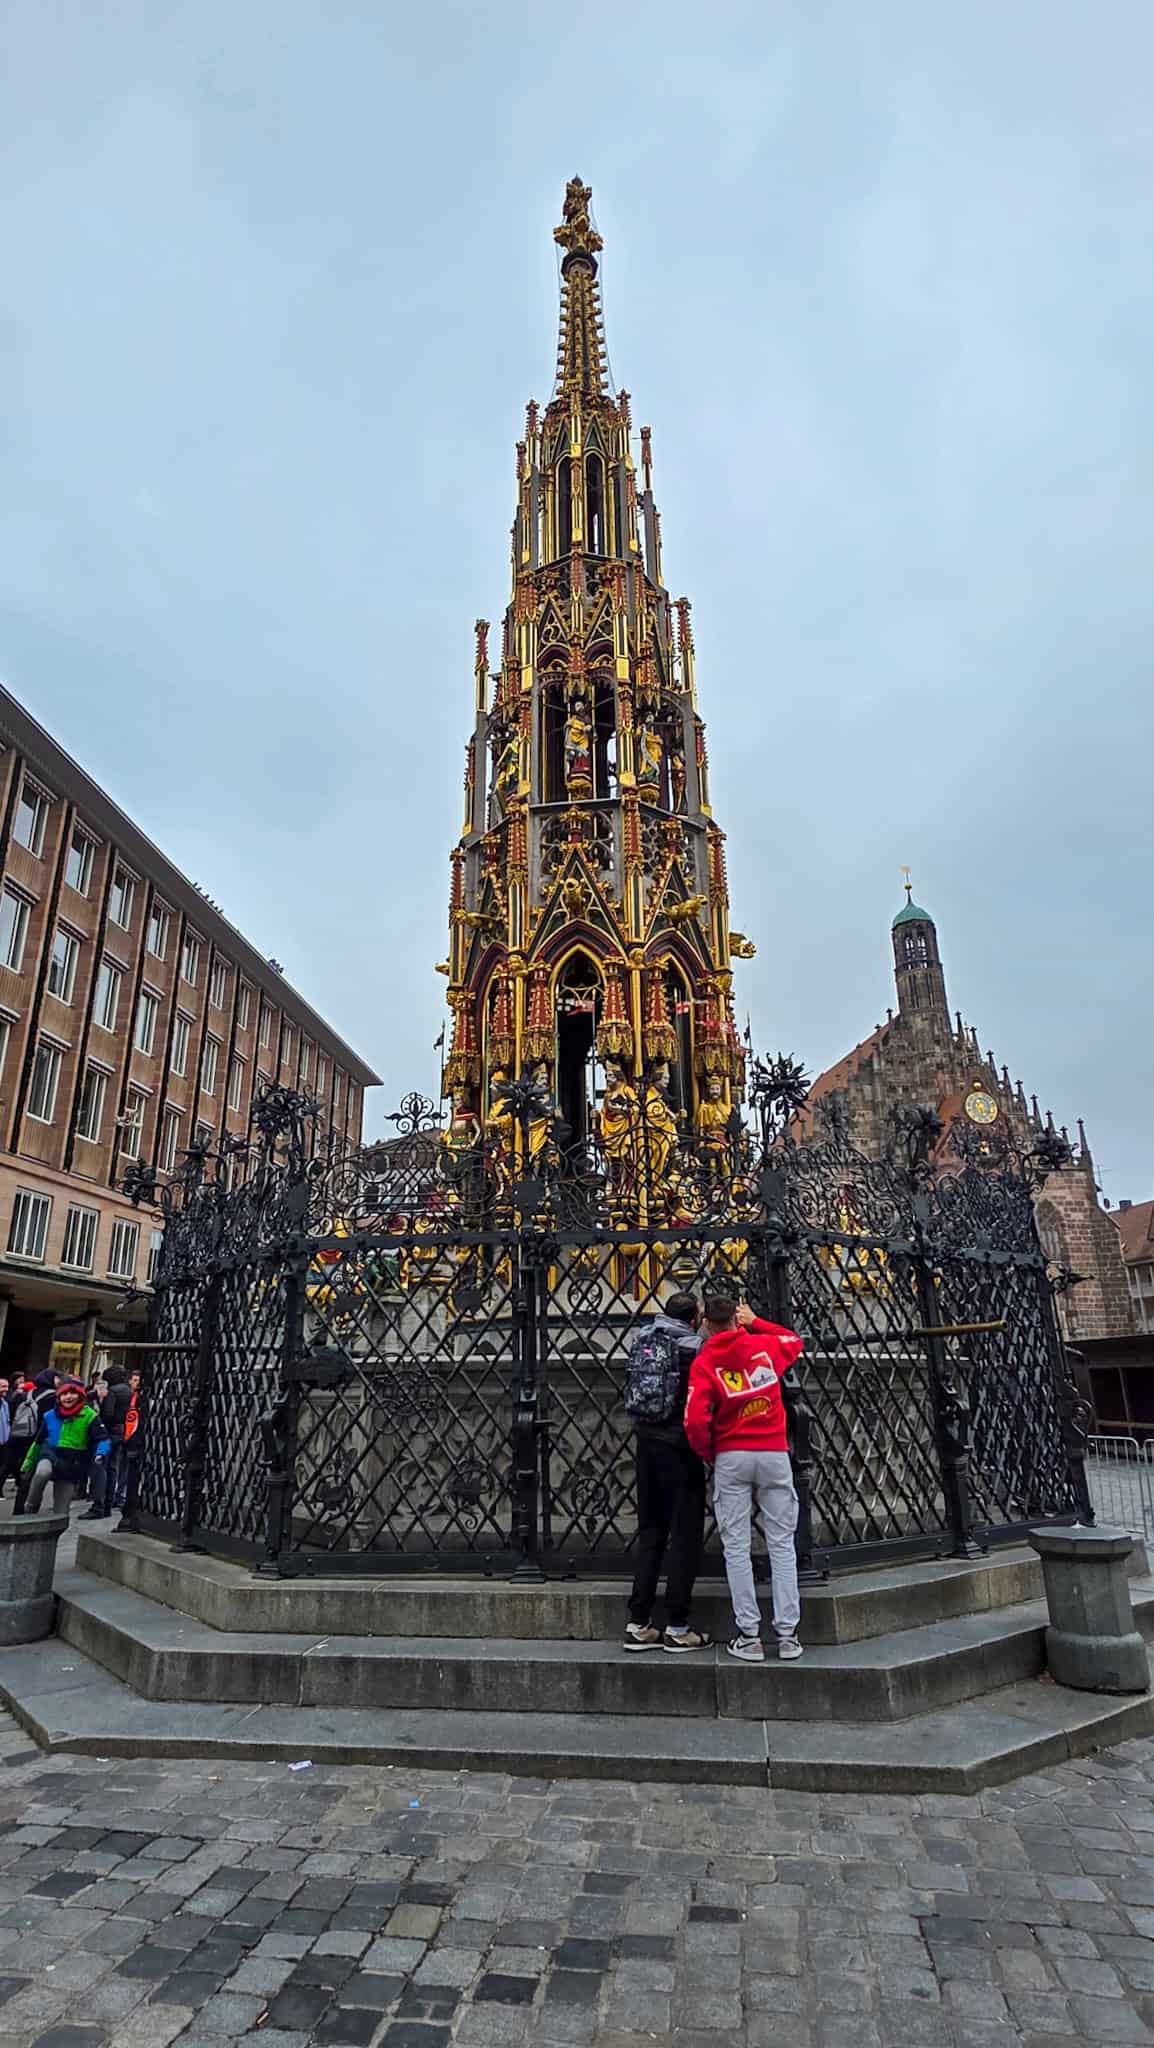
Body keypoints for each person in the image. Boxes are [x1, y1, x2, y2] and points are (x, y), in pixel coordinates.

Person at [685, 1293, 805, 1663]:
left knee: (736, 1545)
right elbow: (795, 1342)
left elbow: (693, 1419)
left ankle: (749, 1636)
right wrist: (755, 1321)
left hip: (732, 1454)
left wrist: (710, 1453)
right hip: (772, 1451)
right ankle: (787, 1635)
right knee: (782, 1543)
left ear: (706, 1323)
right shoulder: (764, 1346)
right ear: (736, 1320)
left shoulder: (705, 1361)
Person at [622, 1291, 711, 1654]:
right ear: (693, 1319)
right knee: (684, 1535)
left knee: (651, 1532)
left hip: (647, 1444)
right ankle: (677, 1625)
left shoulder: (643, 1338)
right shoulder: (695, 1349)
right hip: (681, 1447)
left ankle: (639, 1621)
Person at [20, 1378, 106, 1517]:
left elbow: (103, 1439)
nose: (68, 1397)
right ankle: (31, 1506)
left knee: (61, 1514)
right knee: (42, 1473)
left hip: (72, 1462)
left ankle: (54, 1533)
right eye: (64, 1394)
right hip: (50, 1454)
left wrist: (100, 1453)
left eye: (72, 1393)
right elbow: (38, 1441)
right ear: (59, 1397)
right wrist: (28, 1463)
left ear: (80, 1395)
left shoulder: (90, 1416)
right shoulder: (50, 1415)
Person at [83, 1364, 132, 1519]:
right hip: (121, 1431)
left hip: (108, 1432)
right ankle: (108, 1505)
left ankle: (98, 1505)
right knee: (112, 1469)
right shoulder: (128, 1391)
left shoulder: (113, 1391)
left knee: (100, 1467)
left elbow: (108, 1413)